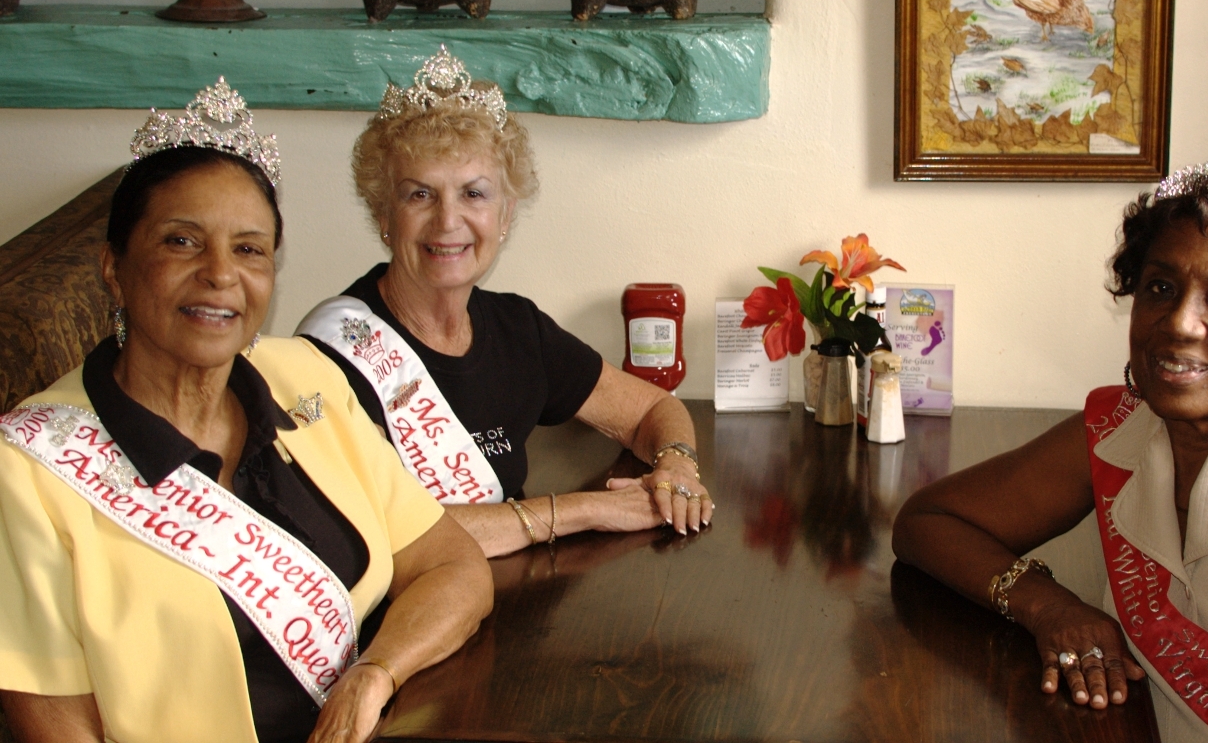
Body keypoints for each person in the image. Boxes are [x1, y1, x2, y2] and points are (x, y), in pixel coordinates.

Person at [0, 79, 492, 743]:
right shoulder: (28, 470)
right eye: (181, 242)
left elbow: (453, 566)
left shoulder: (304, 379)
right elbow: (55, 727)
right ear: (113, 268)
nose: (220, 273)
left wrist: (374, 674)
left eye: (249, 248)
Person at [893, 153, 1208, 743]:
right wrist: (1050, 607)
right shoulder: (1123, 425)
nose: (1180, 323)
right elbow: (925, 523)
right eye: (1160, 287)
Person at [296, 47, 711, 558]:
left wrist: (676, 465)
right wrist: (586, 510)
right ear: (384, 215)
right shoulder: (333, 354)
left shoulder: (517, 328)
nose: (448, 221)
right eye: (419, 195)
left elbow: (652, 406)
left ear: (506, 215)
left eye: (474, 194)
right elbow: (383, 527)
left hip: (509, 600)